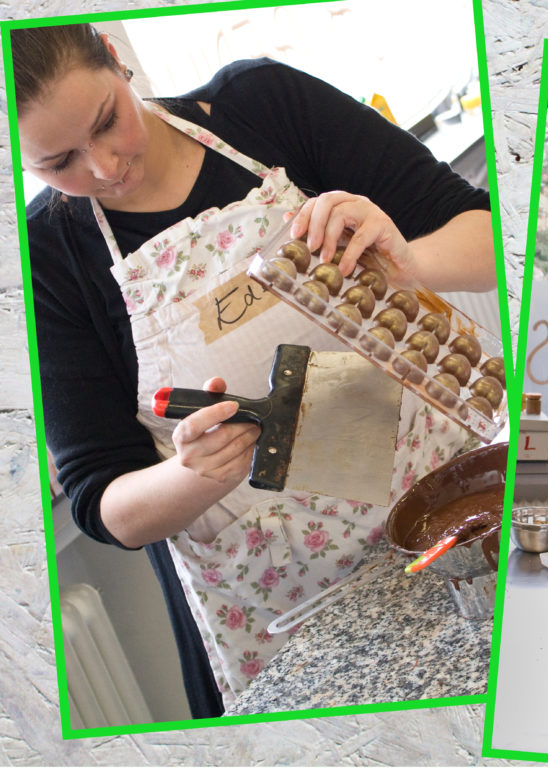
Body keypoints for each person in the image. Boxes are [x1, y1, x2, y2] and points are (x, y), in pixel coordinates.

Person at [12, 23, 496, 718]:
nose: (106, 166)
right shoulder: (47, 259)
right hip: (294, 608)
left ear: (117, 62)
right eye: (60, 163)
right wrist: (192, 474)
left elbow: (489, 235)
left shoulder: (262, 105)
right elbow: (102, 503)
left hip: (451, 515)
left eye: (108, 121)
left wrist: (409, 264)